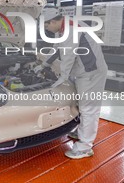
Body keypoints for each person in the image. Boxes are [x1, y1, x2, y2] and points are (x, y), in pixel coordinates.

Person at [35, 8, 108, 159]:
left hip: (91, 73)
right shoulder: (63, 28)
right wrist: (42, 66)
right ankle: (82, 132)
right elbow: (56, 50)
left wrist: (60, 79)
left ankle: (85, 146)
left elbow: (67, 58)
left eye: (46, 26)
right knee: (81, 105)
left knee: (89, 109)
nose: (46, 30)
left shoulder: (70, 30)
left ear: (53, 21)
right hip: (82, 72)